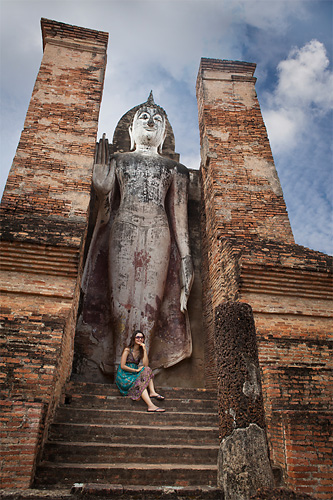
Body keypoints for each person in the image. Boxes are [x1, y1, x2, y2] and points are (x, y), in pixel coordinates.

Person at [89, 92, 194, 374]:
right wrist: (101, 192)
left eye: (157, 120)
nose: (150, 122)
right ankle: (116, 359)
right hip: (123, 227)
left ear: (163, 132)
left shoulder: (176, 169)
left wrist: (186, 258)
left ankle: (142, 361)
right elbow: (107, 209)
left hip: (159, 231)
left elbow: (179, 220)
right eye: (144, 118)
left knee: (151, 301)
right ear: (132, 129)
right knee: (120, 297)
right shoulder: (120, 161)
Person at [115, 330, 166, 412]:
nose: (140, 339)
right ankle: (151, 405)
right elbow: (122, 366)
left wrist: (145, 349)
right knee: (140, 384)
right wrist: (135, 370)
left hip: (134, 374)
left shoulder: (140, 351)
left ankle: (152, 392)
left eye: (142, 337)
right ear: (134, 339)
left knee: (147, 369)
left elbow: (146, 365)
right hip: (124, 375)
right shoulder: (127, 350)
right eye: (138, 337)